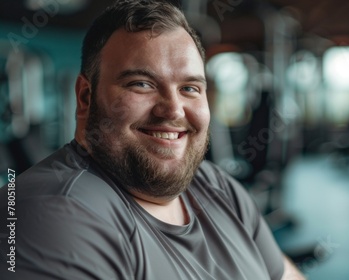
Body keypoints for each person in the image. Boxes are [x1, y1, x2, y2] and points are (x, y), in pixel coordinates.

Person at [0, 0, 305, 279]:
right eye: (142, 84)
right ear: (85, 97)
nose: (173, 110)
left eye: (190, 88)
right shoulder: (49, 215)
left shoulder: (220, 188)